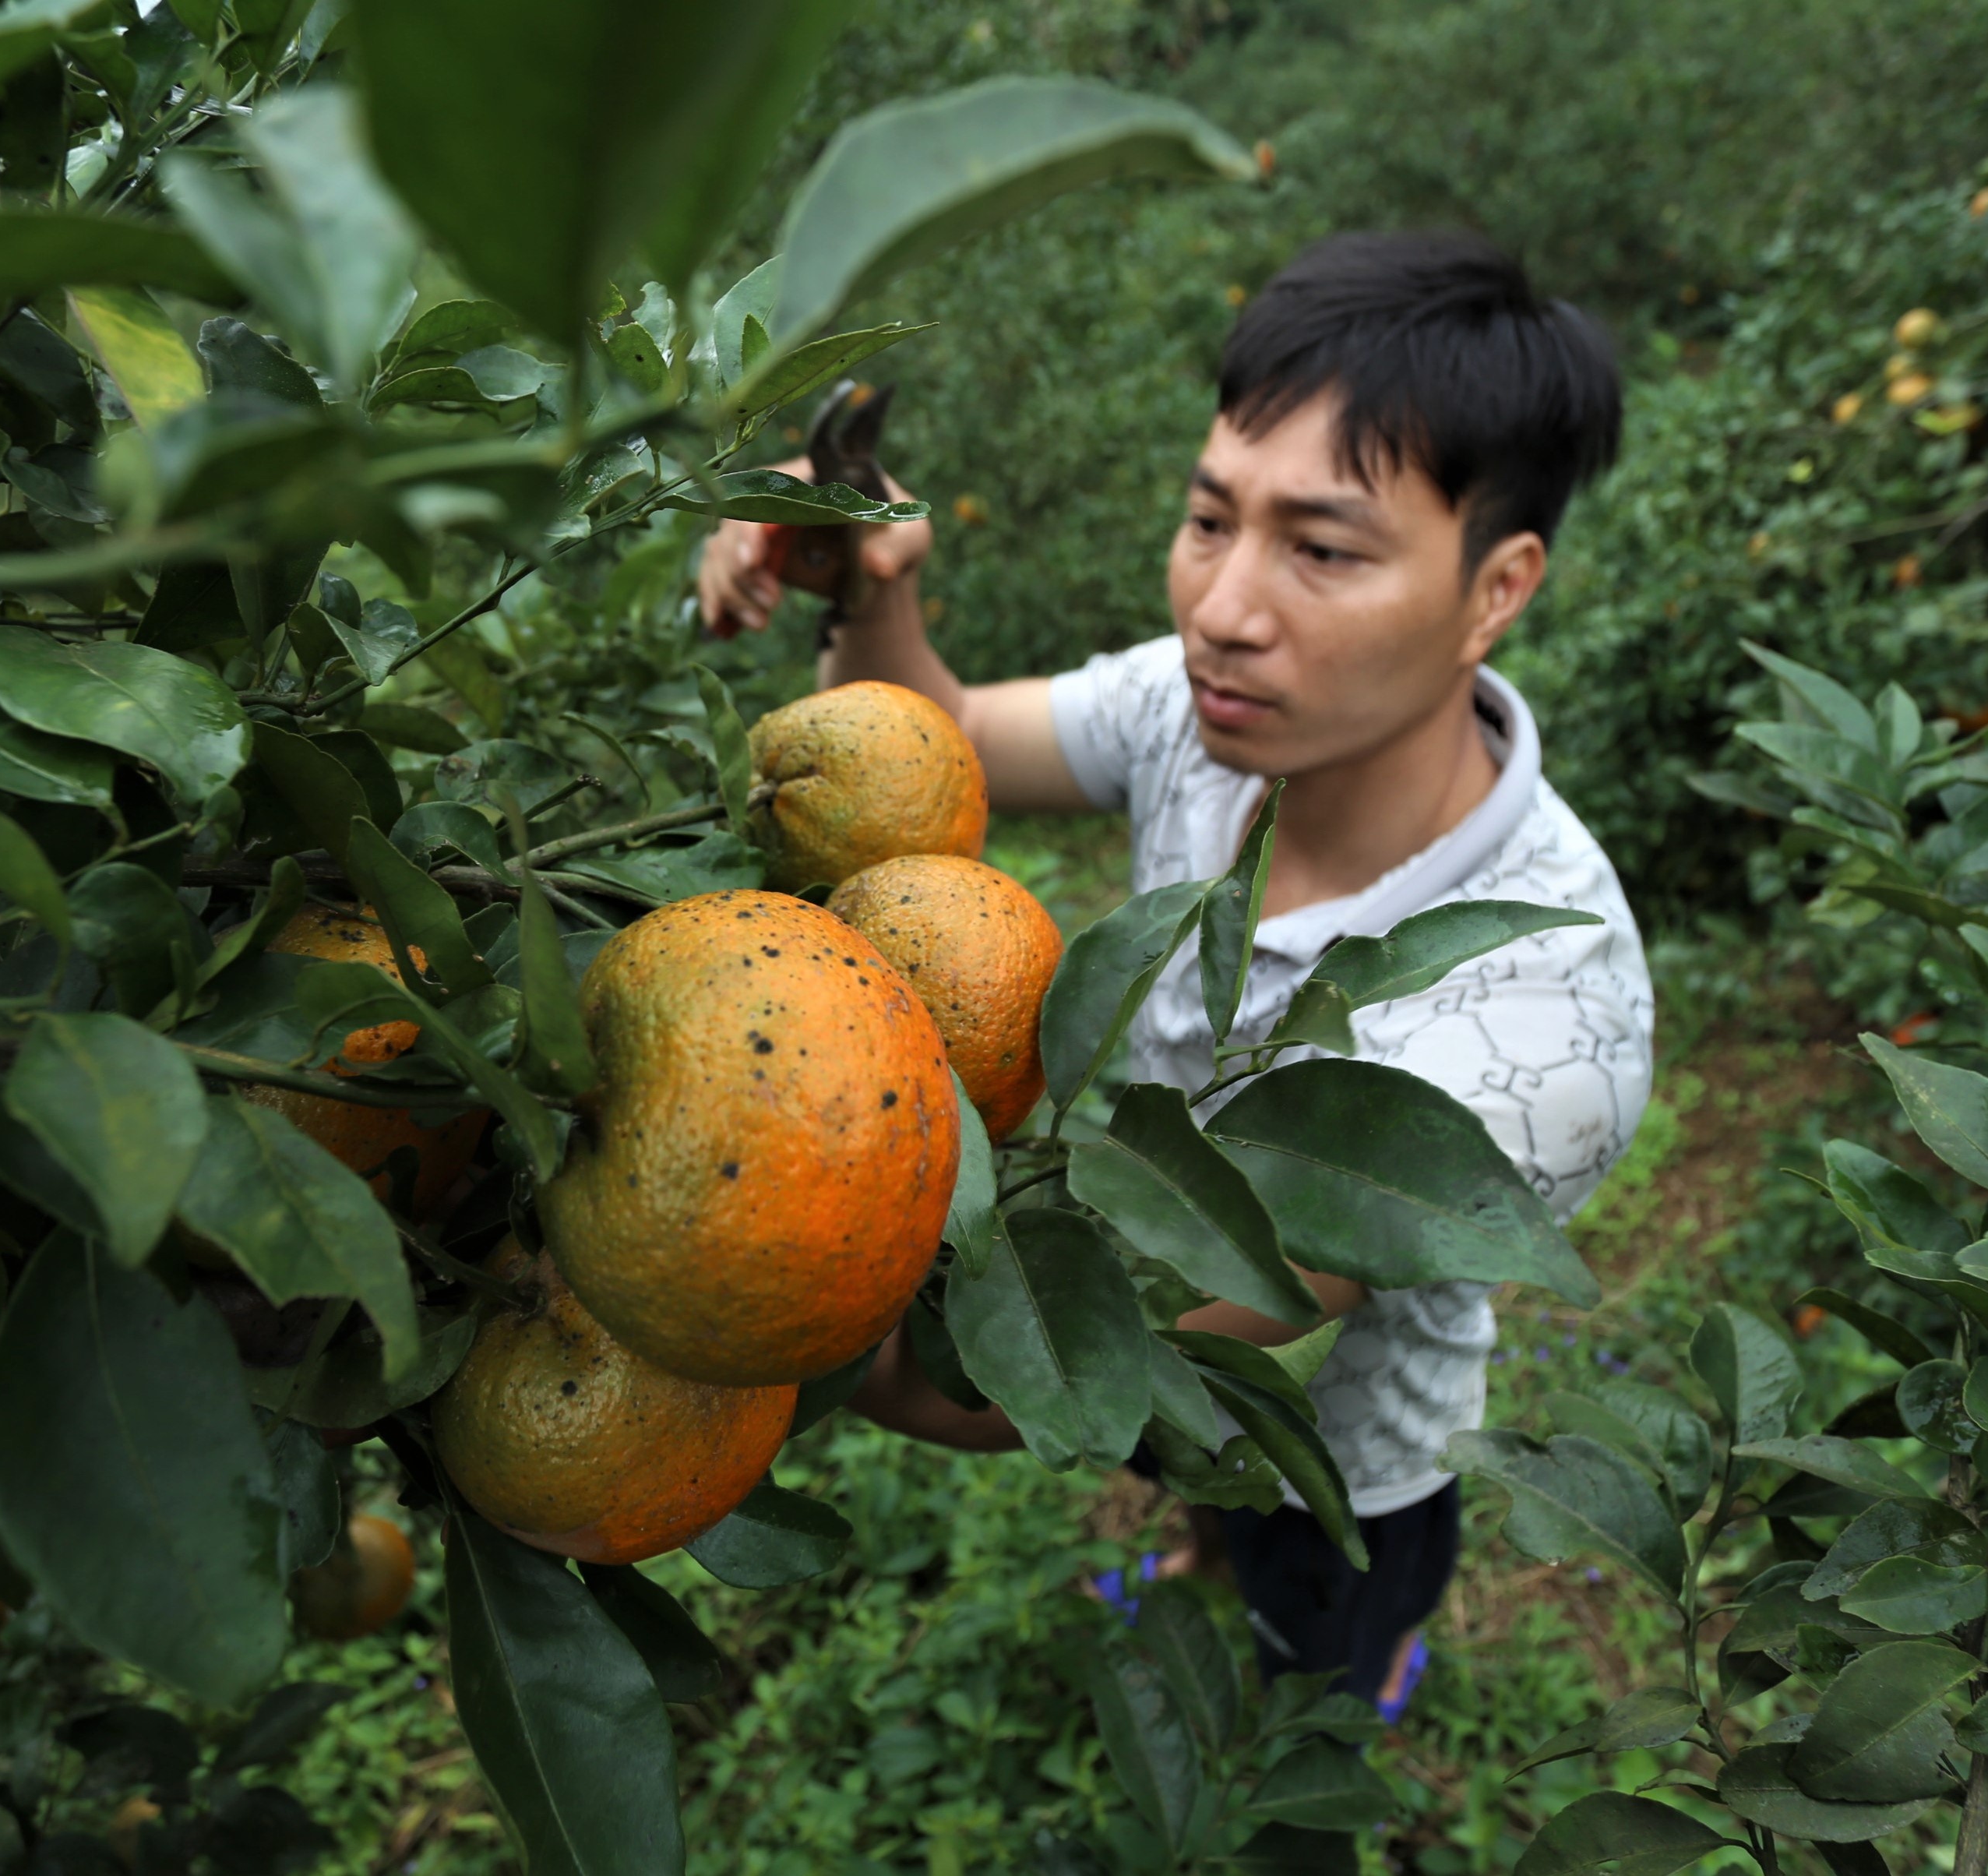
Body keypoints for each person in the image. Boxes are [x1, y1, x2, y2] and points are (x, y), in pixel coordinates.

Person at [698, 231, 1656, 1716]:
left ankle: (1344, 1681)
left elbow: (1128, 1334)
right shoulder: (1198, 705)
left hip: (1335, 1440)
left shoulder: (1534, 1026)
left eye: (1322, 549)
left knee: (1313, 1609)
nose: (1225, 606)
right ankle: (1208, 1563)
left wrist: (732, 1318)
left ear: (1495, 588)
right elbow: (934, 733)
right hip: (1176, 1353)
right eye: (1213, 521)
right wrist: (871, 578)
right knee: (1204, 1490)